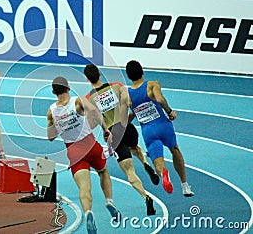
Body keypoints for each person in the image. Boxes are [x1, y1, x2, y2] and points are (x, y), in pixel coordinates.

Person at [47, 77, 121, 234]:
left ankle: (88, 211)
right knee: (103, 171)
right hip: (91, 146)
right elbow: (95, 112)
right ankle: (109, 200)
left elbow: (51, 136)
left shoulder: (51, 111)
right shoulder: (78, 101)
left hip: (74, 152)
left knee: (84, 187)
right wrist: (106, 130)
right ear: (68, 88)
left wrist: (62, 123)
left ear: (54, 92)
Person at [83, 64, 157, 216]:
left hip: (114, 134)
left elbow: (91, 123)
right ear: (99, 74)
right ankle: (145, 163)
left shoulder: (88, 99)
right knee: (135, 147)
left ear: (87, 79)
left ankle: (146, 197)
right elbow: (129, 102)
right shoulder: (116, 86)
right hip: (127, 127)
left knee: (130, 172)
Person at [125, 60, 194, 197]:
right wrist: (170, 112)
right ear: (142, 72)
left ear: (129, 77)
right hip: (163, 125)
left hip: (148, 131)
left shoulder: (127, 94)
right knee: (175, 149)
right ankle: (185, 185)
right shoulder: (152, 85)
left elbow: (134, 111)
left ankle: (163, 173)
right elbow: (160, 100)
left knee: (158, 161)